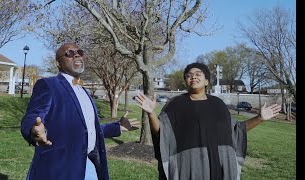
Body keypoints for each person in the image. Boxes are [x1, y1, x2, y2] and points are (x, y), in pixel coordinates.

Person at [135, 62, 281, 180]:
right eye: (189, 75)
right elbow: (161, 133)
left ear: (206, 81)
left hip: (222, 164)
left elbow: (236, 130)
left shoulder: (218, 104)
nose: (193, 77)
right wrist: (151, 113)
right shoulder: (175, 104)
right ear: (186, 81)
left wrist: (259, 118)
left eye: (198, 74)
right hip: (190, 167)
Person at [20, 42, 133, 180]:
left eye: (80, 52)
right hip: (59, 169)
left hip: (89, 166)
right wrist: (33, 131)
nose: (77, 55)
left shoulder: (84, 92)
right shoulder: (48, 85)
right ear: (58, 63)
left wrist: (117, 128)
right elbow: (32, 117)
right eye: (70, 53)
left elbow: (86, 130)